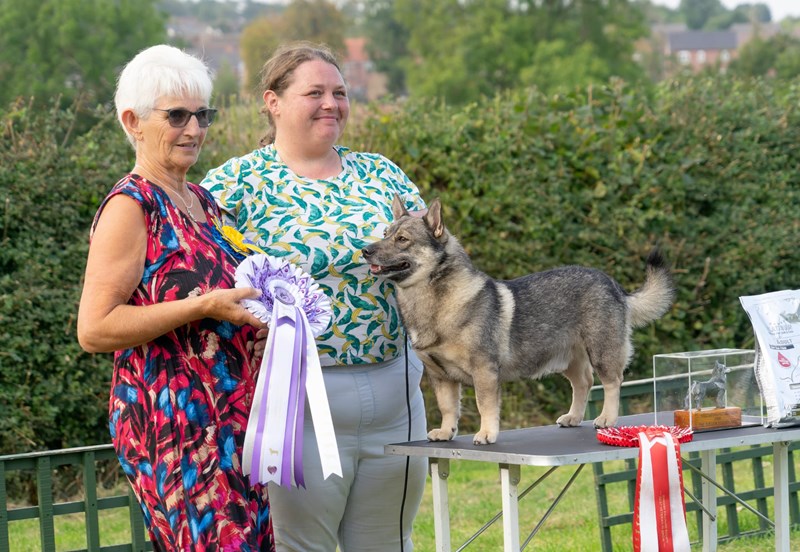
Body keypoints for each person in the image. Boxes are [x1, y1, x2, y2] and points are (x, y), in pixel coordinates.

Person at [201, 42, 428, 551]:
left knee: (390, 542)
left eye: (340, 92)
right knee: (305, 545)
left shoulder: (382, 174)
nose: (332, 103)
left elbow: (438, 265)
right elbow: (206, 284)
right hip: (296, 404)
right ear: (273, 101)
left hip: (397, 394)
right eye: (315, 92)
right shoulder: (232, 185)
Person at [77, 44, 274, 551]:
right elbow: (94, 328)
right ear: (133, 121)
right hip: (175, 427)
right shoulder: (131, 204)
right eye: (178, 115)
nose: (194, 129)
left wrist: (260, 323)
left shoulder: (201, 201)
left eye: (202, 115)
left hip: (232, 420)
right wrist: (201, 306)